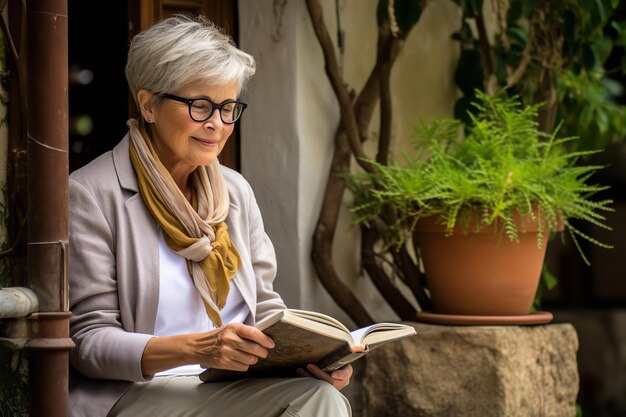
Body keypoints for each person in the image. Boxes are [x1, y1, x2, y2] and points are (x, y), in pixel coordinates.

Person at [68, 14, 353, 417]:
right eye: (200, 106)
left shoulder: (235, 191)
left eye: (228, 107)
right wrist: (201, 347)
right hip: (138, 393)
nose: (217, 124)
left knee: (321, 393)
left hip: (235, 387)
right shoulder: (92, 194)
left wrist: (311, 358)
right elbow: (89, 343)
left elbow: (265, 310)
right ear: (148, 104)